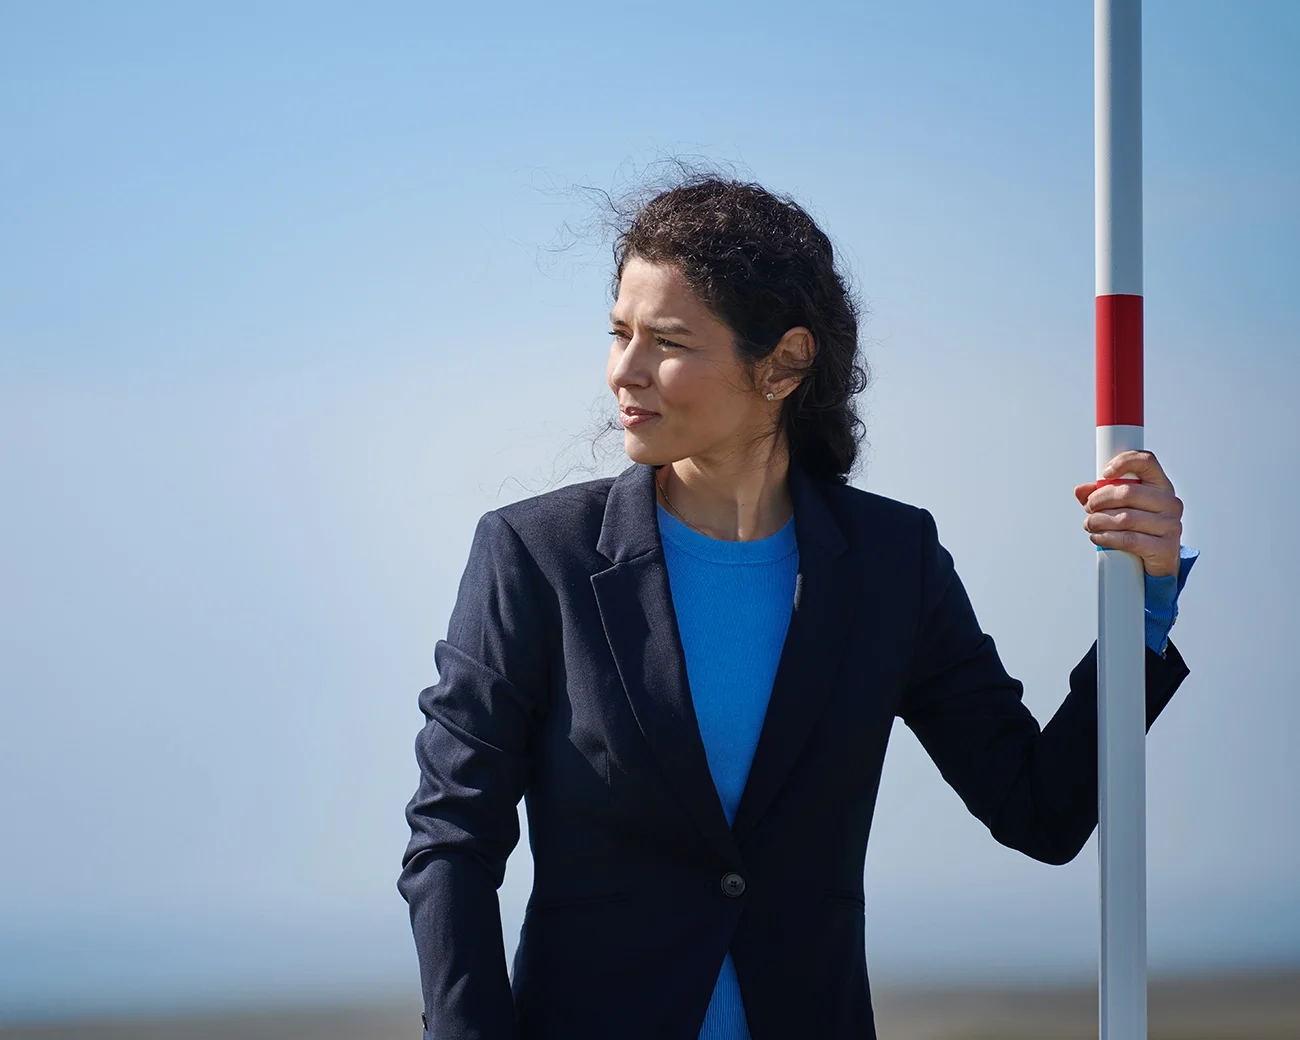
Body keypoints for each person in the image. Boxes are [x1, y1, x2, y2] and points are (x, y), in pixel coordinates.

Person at [397, 176, 1198, 1039]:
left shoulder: (894, 562)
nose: (625, 370)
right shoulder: (535, 555)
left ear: (783, 363)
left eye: (667, 340)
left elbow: (1041, 810)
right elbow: (451, 840)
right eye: (619, 332)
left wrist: (1143, 607)